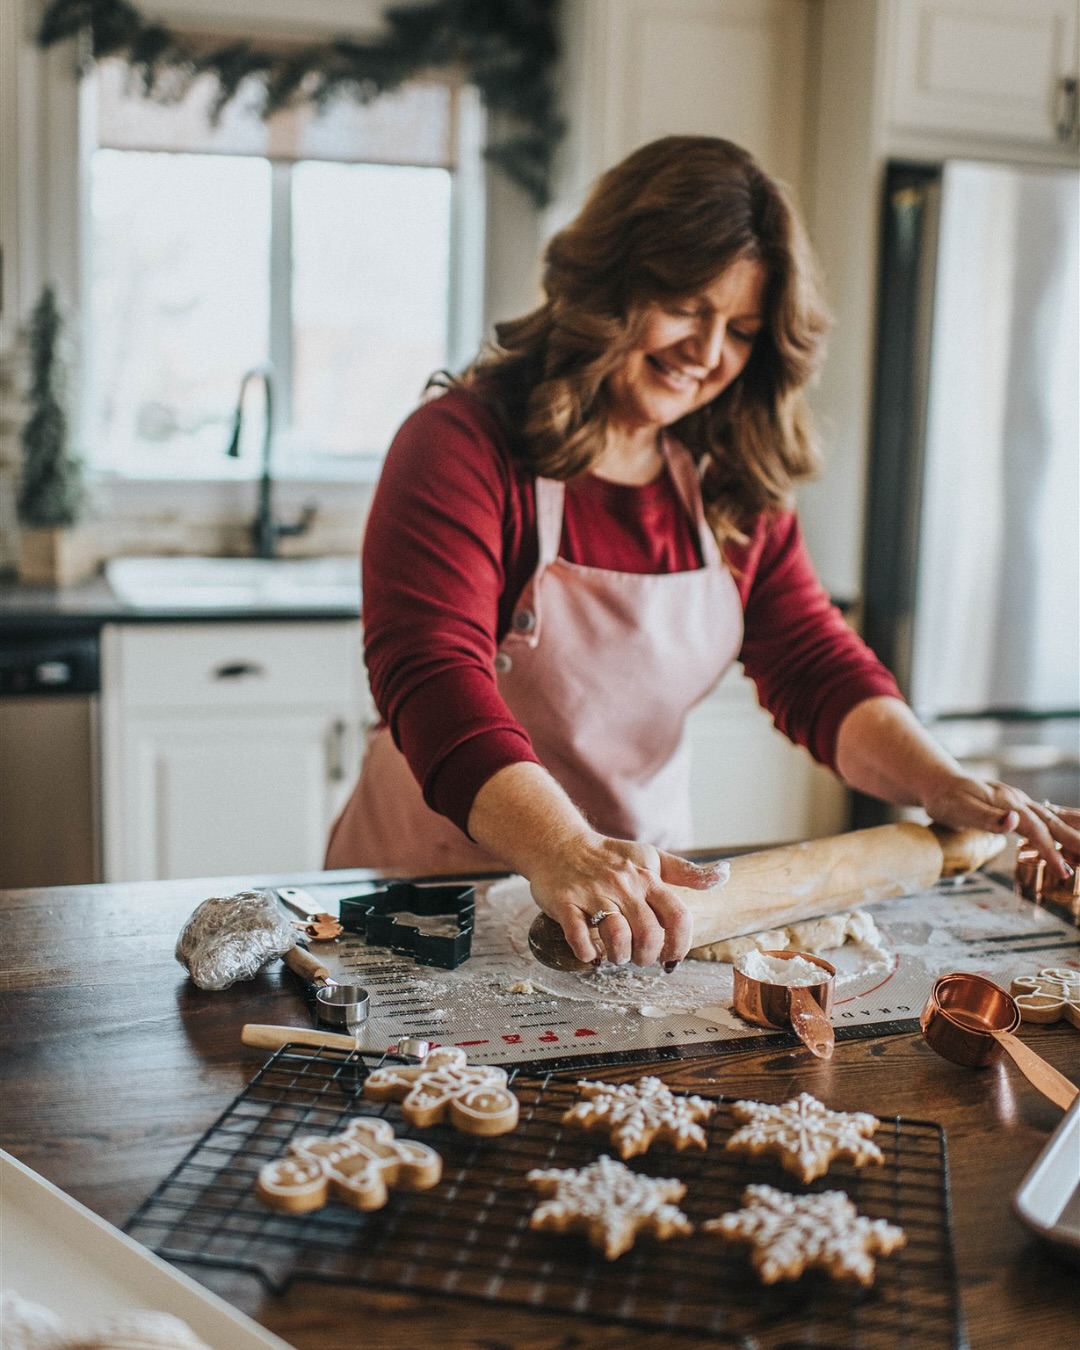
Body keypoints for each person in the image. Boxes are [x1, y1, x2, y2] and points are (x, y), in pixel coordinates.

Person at [326, 135, 1078, 968]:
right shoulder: (463, 444)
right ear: (609, 282)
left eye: (743, 330)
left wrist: (939, 781)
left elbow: (812, 664)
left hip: (644, 907)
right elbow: (433, 675)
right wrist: (563, 848)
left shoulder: (728, 478)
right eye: (686, 306)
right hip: (434, 894)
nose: (708, 353)